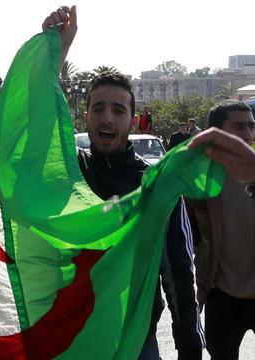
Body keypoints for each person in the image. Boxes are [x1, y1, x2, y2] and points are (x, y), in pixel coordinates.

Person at [43, 7, 203, 359]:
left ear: (133, 120)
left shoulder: (154, 184)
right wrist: (55, 53)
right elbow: (37, 130)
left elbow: (178, 269)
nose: (107, 117)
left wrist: (190, 343)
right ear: (85, 118)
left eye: (118, 109)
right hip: (72, 338)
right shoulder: (72, 174)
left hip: (137, 342)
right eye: (98, 108)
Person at [185, 100, 255, 359]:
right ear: (214, 133)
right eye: (238, 126)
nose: (247, 134)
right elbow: (188, 237)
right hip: (221, 295)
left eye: (251, 126)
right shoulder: (199, 182)